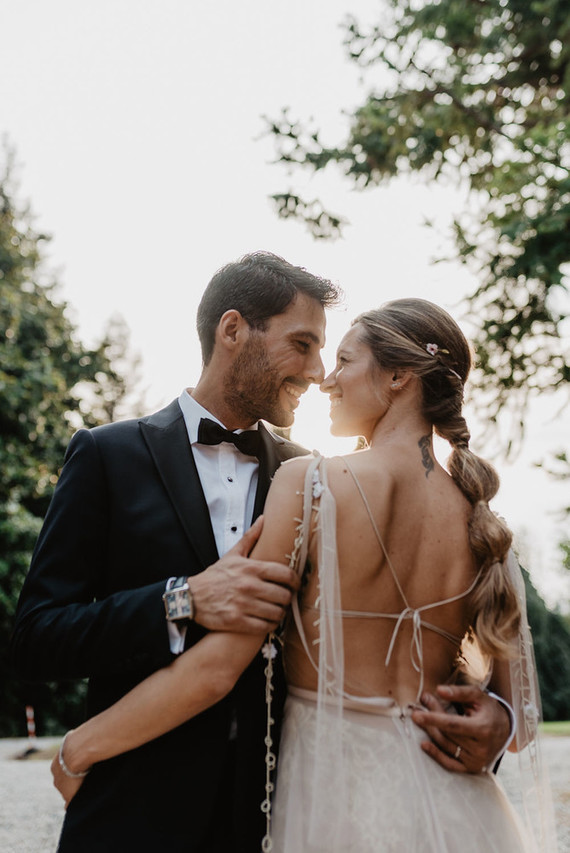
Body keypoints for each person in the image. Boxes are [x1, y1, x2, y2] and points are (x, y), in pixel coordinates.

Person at [47, 298, 555, 851]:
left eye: (343, 360)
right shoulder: (485, 524)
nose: (326, 380)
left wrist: (81, 747)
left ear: (399, 377)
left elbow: (218, 669)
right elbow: (521, 720)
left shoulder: (310, 483)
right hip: (463, 809)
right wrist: (499, 725)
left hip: (333, 802)